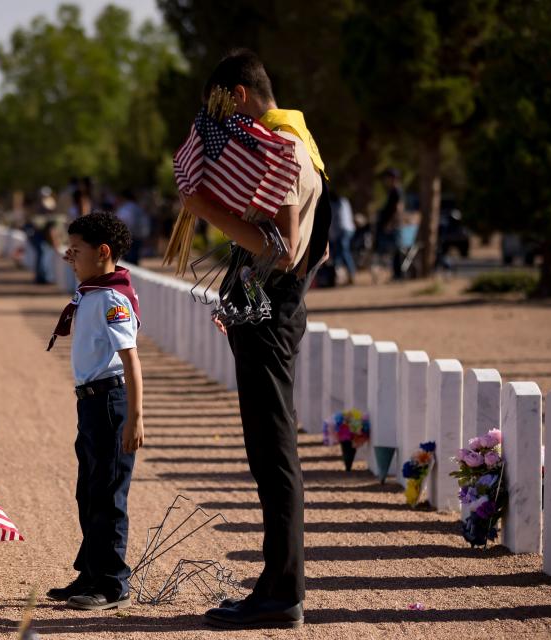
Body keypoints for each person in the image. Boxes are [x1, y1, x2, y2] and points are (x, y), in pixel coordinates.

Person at [180, 49, 331, 630]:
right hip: (264, 309)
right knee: (266, 453)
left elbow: (284, 251)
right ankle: (273, 583)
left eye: (219, 106)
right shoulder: (293, 141)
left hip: (274, 313)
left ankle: (283, 593)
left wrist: (203, 207)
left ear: (237, 96)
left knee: (274, 453)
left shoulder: (286, 146)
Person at [45, 211, 144, 612]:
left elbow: (131, 359)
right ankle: (90, 572)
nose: (70, 257)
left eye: (77, 250)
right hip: (90, 403)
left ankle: (112, 582)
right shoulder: (92, 290)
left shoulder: (112, 300)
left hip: (110, 403)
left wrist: (135, 417)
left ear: (103, 253)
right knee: (88, 492)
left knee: (108, 494)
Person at [374, 168, 404, 281]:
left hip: (394, 225)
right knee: (394, 250)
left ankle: (398, 274)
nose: (385, 181)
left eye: (387, 178)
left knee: (396, 249)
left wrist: (391, 223)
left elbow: (398, 208)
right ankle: (396, 273)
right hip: (392, 225)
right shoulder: (393, 191)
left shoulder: (396, 191)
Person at [329, 190, 357, 284]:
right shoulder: (344, 201)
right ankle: (344, 276)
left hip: (342, 231)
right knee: (341, 253)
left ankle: (350, 275)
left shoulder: (336, 204)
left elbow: (338, 221)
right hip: (348, 230)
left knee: (343, 252)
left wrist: (332, 237)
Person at [114, 189, 147, 264]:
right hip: (138, 235)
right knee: (134, 259)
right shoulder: (137, 207)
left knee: (129, 261)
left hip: (129, 236)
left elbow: (123, 221)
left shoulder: (126, 208)